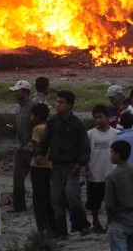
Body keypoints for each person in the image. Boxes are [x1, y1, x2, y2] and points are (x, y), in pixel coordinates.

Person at [36, 90, 92, 238]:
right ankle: (61, 232)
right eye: (57, 101)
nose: (57, 105)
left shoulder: (77, 123)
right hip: (56, 167)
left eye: (61, 102)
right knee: (56, 200)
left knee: (72, 196)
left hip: (72, 167)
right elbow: (44, 141)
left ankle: (83, 225)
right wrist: (39, 153)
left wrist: (80, 163)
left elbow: (85, 147)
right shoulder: (53, 122)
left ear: (70, 105)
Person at [105, 140, 133, 251]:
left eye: (111, 152)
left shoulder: (111, 177)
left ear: (117, 155)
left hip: (119, 221)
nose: (110, 155)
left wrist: (109, 223)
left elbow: (109, 205)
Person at [85, 105, 120, 233]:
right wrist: (87, 169)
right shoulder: (90, 134)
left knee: (111, 202)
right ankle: (96, 222)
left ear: (107, 117)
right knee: (94, 201)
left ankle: (110, 223)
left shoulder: (116, 133)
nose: (98, 120)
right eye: (96, 118)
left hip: (111, 172)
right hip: (95, 172)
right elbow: (86, 153)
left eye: (101, 117)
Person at [25, 103, 55, 235]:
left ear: (37, 116)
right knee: (50, 198)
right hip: (51, 166)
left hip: (38, 167)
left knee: (39, 199)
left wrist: (29, 149)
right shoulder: (51, 126)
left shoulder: (37, 129)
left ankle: (41, 227)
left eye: (32, 115)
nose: (31, 117)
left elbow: (37, 147)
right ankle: (52, 226)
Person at [9, 79, 34, 212]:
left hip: (32, 149)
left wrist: (33, 143)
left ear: (25, 91)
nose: (15, 94)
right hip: (20, 147)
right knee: (17, 177)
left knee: (37, 177)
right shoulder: (19, 109)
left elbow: (40, 127)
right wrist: (15, 128)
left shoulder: (33, 107)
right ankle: (19, 205)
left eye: (17, 91)